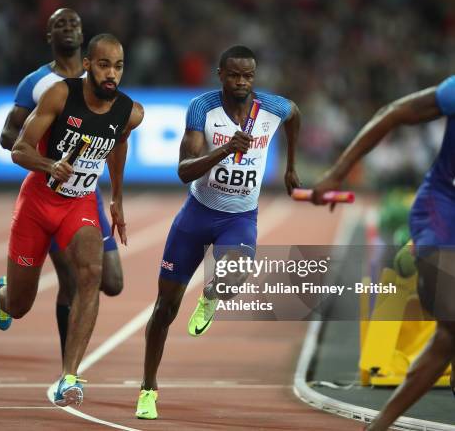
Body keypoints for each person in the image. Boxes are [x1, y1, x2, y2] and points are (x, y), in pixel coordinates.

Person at [136, 45, 301, 420]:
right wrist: (225, 150)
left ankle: (210, 297)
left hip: (239, 217)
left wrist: (290, 165)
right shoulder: (202, 108)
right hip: (196, 216)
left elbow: (295, 115)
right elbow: (183, 170)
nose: (241, 82)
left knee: (232, 277)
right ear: (221, 74)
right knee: (164, 309)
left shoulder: (271, 108)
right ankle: (148, 388)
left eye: (248, 76)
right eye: (234, 75)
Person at [0, 33, 143, 407]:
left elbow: (119, 142)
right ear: (88, 64)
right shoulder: (60, 95)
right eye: (104, 64)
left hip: (78, 206)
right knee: (20, 305)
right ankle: (3, 296)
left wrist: (118, 198)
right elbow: (19, 149)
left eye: (119, 66)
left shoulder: (131, 112)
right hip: (37, 204)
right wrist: (49, 165)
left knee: (91, 275)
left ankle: (69, 376)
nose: (112, 74)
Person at [311, 76, 455, 431]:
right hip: (442, 209)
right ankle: (379, 425)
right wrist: (337, 173)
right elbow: (393, 113)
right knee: (452, 329)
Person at [0, 8, 124, 358]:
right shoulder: (37, 84)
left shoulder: (102, 78)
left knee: (111, 283)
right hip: (49, 192)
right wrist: (47, 156)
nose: (68, 28)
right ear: (49, 36)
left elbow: (115, 137)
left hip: (87, 195)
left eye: (74, 23)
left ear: (84, 38)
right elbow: (9, 134)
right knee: (71, 282)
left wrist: (116, 195)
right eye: (59, 24)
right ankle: (67, 368)